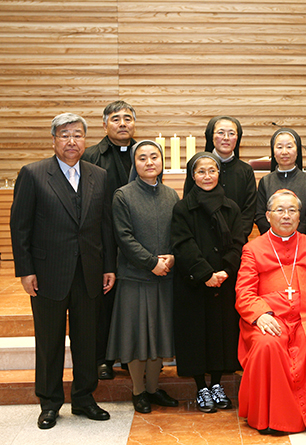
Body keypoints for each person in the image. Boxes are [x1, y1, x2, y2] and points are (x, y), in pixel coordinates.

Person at [10, 113, 116, 429]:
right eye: (65, 135)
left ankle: (84, 398)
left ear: (86, 139)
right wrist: (26, 270)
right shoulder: (33, 174)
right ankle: (50, 401)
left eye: (78, 135)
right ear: (54, 139)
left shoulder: (99, 175)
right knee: (49, 339)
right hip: (48, 272)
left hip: (89, 271)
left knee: (87, 339)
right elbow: (20, 226)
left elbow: (106, 226)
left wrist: (108, 266)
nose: (72, 141)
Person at [236, 189, 306, 435]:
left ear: (299, 216)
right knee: (268, 346)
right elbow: (244, 292)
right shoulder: (253, 249)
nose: (286, 216)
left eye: (292, 210)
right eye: (280, 210)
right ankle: (274, 416)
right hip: (271, 320)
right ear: (268, 215)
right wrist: (262, 315)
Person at [106, 140, 179, 413]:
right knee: (137, 336)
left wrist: (172, 257)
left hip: (165, 276)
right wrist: (151, 263)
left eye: (154, 157)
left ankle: (153, 389)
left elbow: (178, 233)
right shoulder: (123, 195)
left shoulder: (171, 195)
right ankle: (138, 391)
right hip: (136, 276)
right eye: (142, 158)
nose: (149, 162)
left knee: (158, 335)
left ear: (161, 162)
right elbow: (124, 238)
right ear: (134, 165)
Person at [172, 152, 246, 413]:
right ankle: (200, 386)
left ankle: (216, 384)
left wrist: (225, 271)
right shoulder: (183, 208)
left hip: (223, 283)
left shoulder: (231, 207)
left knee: (219, 335)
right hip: (193, 283)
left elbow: (238, 241)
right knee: (195, 335)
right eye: (201, 172)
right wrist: (206, 274)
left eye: (212, 171)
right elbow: (183, 244)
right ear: (193, 176)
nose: (207, 176)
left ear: (219, 174)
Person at [82, 100, 138, 380]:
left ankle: (131, 356)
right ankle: (102, 358)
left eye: (128, 118)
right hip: (101, 238)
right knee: (102, 301)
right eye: (116, 119)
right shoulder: (91, 155)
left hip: (136, 240)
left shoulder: (144, 154)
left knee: (131, 300)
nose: (122, 123)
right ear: (105, 124)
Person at [184, 116, 256, 240]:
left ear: (237, 138)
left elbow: (249, 211)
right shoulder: (197, 166)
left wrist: (236, 240)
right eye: (221, 132)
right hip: (202, 241)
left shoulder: (246, 171)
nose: (226, 138)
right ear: (211, 136)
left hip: (236, 243)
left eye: (231, 133)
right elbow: (188, 204)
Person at [255, 128, 306, 234]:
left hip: (301, 240)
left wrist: (293, 236)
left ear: (297, 150)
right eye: (279, 147)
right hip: (271, 242)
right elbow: (260, 215)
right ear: (273, 151)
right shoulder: (265, 181)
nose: (284, 152)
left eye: (289, 146)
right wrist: (276, 235)